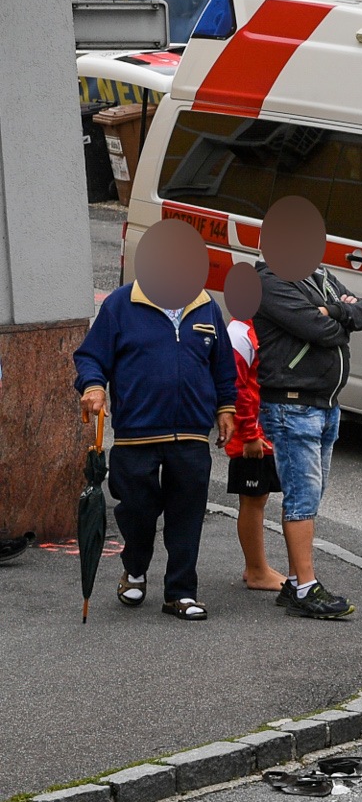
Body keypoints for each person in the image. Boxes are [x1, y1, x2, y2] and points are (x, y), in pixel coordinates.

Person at [72, 220, 234, 621]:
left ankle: (180, 593)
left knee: (187, 513)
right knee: (138, 510)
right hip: (136, 434)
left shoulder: (206, 306)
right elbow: (91, 356)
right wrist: (93, 387)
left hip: (192, 434)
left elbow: (223, 367)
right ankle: (135, 567)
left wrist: (226, 409)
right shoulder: (121, 304)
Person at [252, 197, 362, 621]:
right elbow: (321, 331)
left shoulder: (317, 276)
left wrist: (336, 309)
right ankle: (305, 587)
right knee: (303, 499)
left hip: (325, 405)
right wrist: (339, 315)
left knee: (312, 496)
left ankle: (296, 584)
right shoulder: (267, 281)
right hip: (293, 407)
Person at [222, 264, 286, 592]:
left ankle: (257, 567)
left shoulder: (249, 329)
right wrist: (250, 435)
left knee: (258, 496)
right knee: (253, 497)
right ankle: (256, 570)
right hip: (249, 435)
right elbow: (238, 389)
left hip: (255, 431)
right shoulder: (239, 332)